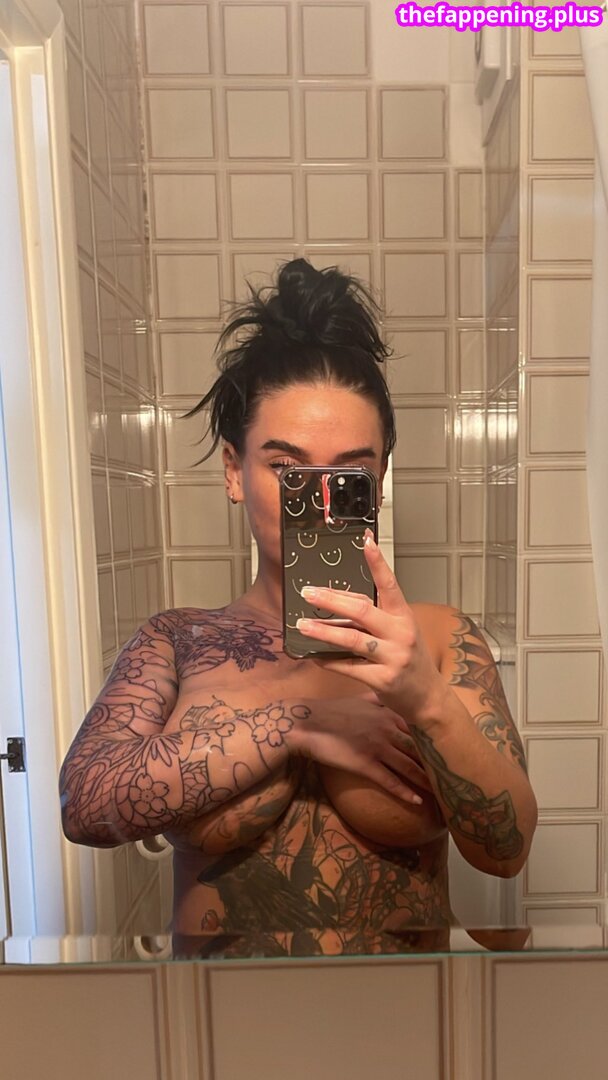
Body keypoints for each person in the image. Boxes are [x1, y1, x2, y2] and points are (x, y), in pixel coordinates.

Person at [59, 258, 538, 957]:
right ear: (234, 471)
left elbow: (506, 851)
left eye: (350, 471)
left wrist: (429, 702)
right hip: (216, 1021)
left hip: (405, 1016)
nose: (315, 499)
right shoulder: (179, 641)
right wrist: (295, 723)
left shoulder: (437, 641)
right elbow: (85, 805)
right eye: (286, 468)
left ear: (379, 480)